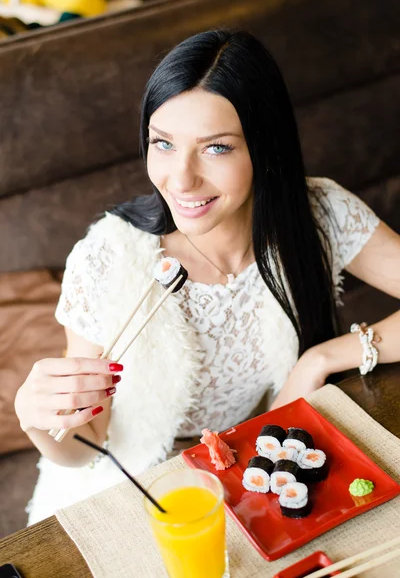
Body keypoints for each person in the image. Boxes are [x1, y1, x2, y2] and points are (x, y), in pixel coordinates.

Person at [15, 29, 400, 525]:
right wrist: (40, 423)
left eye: (216, 148)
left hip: (255, 475)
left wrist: (323, 357)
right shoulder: (108, 258)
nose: (180, 179)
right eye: (163, 143)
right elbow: (85, 451)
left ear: (264, 147)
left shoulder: (316, 213)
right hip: (133, 492)